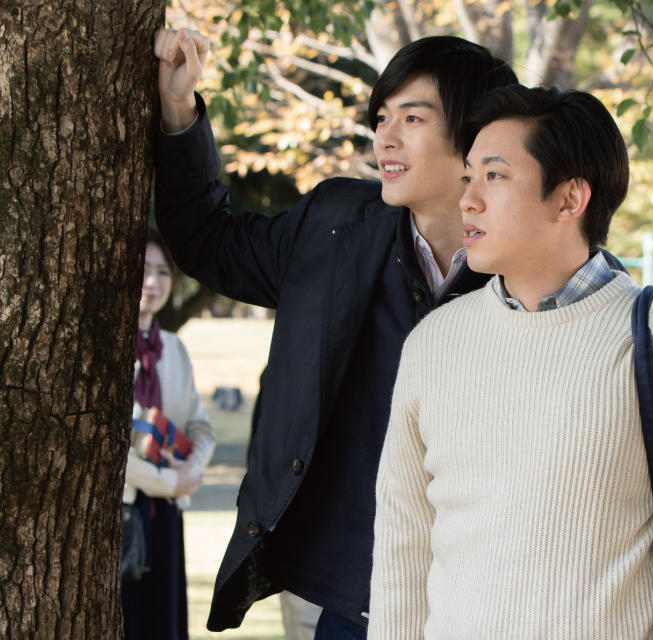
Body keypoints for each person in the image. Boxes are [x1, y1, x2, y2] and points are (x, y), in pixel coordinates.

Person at [151, 29, 519, 639]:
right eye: (381, 117)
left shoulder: (527, 273)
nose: (386, 137)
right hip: (346, 596)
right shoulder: (334, 225)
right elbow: (208, 241)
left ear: (475, 139)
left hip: (482, 603)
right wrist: (178, 108)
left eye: (412, 118)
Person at [368, 85, 653, 639]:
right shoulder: (432, 343)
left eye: (495, 176)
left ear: (570, 199)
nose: (468, 200)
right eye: (469, 177)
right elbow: (403, 546)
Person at [122, 228, 216, 640]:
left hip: (166, 517)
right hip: (119, 518)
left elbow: (201, 428)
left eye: (163, 272)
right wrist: (166, 481)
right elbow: (108, 455)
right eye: (143, 270)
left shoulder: (174, 349)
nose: (152, 282)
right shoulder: (103, 350)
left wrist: (190, 470)